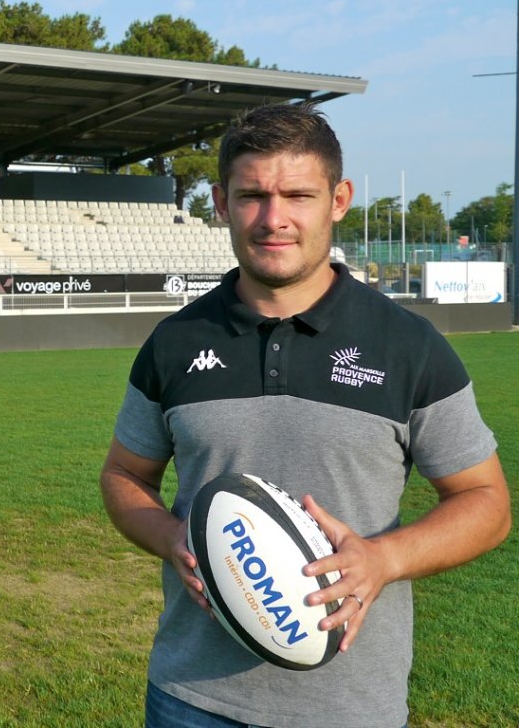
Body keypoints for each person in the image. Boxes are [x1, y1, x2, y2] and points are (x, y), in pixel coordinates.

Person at [100, 103, 511, 728]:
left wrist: (384, 560)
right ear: (220, 202)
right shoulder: (174, 343)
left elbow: (486, 501)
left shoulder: (409, 345)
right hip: (191, 698)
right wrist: (172, 537)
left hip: (350, 707)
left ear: (338, 199)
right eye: (252, 196)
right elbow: (123, 476)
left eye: (298, 194)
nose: (274, 219)